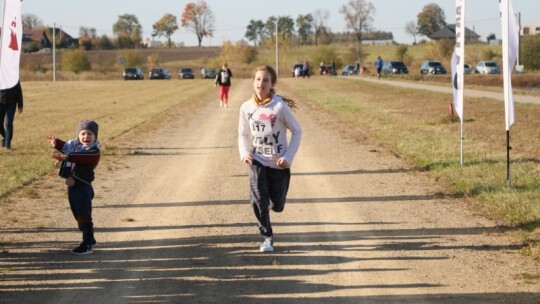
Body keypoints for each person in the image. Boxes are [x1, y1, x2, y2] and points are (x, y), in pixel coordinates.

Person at [238, 65, 302, 253]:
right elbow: (242, 134)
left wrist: (287, 157)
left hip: (278, 164)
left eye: (265, 80)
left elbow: (297, 131)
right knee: (259, 199)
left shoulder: (279, 106)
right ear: (253, 82)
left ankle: (274, 203)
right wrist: (244, 153)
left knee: (278, 205)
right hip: (257, 160)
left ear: (271, 83)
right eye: (258, 79)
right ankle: (267, 236)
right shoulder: (246, 107)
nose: (261, 83)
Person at [47, 120, 101, 255]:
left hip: (83, 187)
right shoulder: (75, 147)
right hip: (74, 187)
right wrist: (57, 143)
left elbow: (81, 157)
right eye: (83, 133)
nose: (86, 137)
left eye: (90, 134)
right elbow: (67, 148)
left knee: (84, 215)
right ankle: (91, 238)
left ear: (95, 137)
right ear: (78, 136)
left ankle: (87, 244)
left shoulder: (93, 151)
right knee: (77, 214)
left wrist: (67, 157)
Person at [0, 81, 23, 149]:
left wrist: (20, 105)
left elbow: (19, 90)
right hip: (0, 102)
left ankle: (7, 144)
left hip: (11, 103)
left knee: (8, 123)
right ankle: (5, 137)